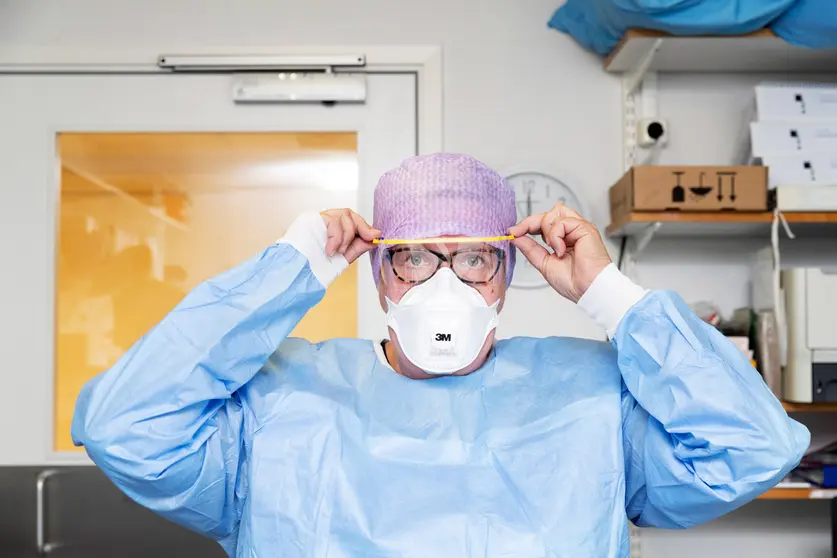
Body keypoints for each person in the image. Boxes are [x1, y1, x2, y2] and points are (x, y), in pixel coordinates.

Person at [72, 154, 809, 557]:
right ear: (378, 273)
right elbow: (125, 428)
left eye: (474, 260)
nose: (444, 283)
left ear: (507, 275)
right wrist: (287, 271)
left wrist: (607, 295)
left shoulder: (588, 397)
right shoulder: (282, 401)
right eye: (416, 257)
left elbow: (752, 448)